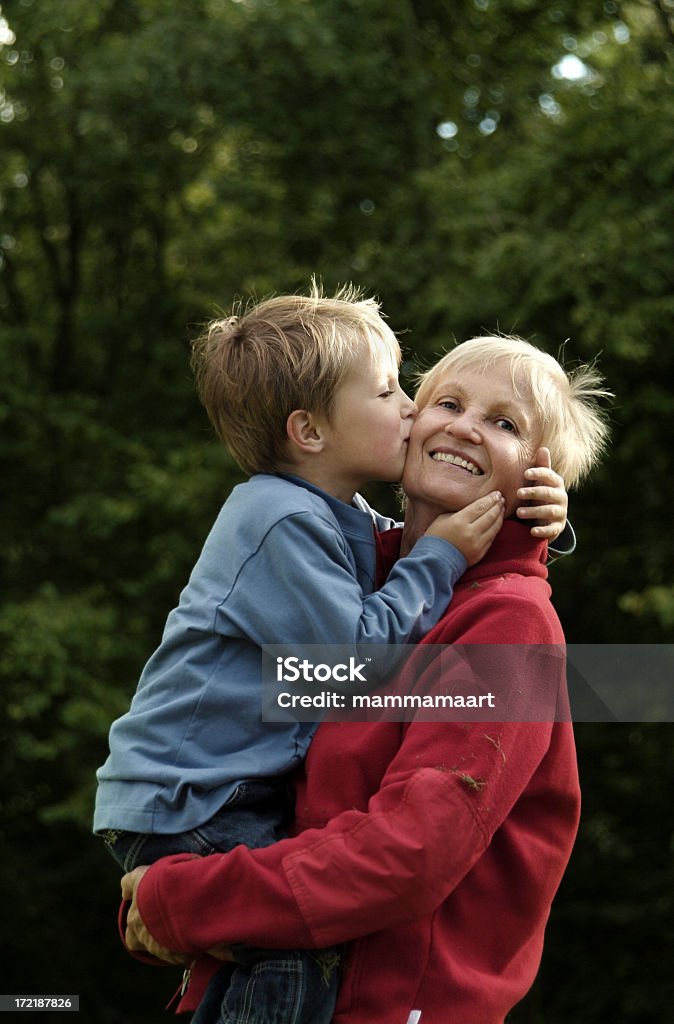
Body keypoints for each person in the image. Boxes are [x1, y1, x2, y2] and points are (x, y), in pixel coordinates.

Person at [94, 290, 569, 1024]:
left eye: (504, 423)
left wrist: (181, 902)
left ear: (539, 476)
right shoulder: (344, 552)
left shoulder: (508, 623)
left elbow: (410, 854)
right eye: (434, 400)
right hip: (212, 832)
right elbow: (385, 598)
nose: (425, 415)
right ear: (313, 432)